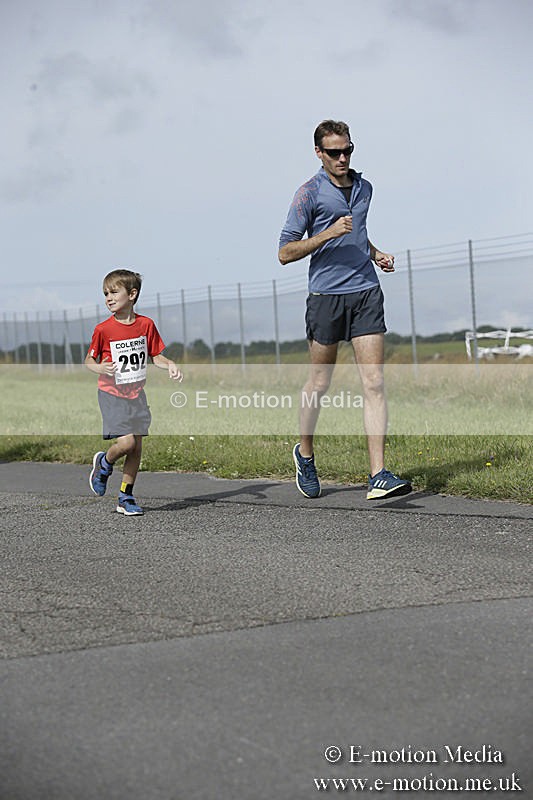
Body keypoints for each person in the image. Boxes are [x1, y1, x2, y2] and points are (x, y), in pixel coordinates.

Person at [278, 119, 411, 500]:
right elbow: (285, 252)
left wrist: (375, 253)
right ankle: (304, 453)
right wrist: (326, 234)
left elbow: (359, 233)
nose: (342, 157)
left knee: (373, 382)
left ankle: (378, 475)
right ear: (318, 153)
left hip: (366, 291)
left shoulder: (365, 188)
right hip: (326, 298)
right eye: (334, 152)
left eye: (347, 150)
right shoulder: (308, 194)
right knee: (319, 384)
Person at [85, 269, 183, 515]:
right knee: (126, 442)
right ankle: (105, 463)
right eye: (105, 293)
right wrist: (99, 367)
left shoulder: (146, 325)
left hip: (137, 395)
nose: (108, 297)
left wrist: (169, 364)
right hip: (111, 393)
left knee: (136, 448)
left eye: (113, 292)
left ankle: (125, 496)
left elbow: (155, 356)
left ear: (132, 294)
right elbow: (89, 359)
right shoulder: (103, 329)